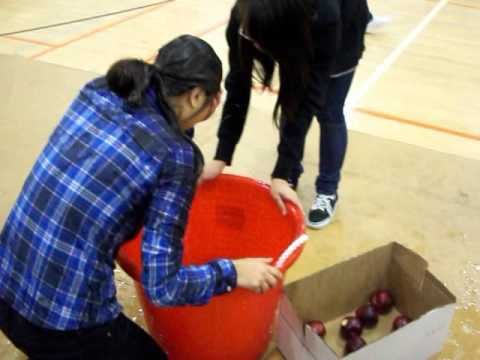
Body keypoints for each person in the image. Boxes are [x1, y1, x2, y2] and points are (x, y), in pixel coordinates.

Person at [0, 35, 282, 359]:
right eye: (213, 99)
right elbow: (163, 286)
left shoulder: (101, 90)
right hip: (60, 323)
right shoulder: (175, 157)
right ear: (196, 96)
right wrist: (234, 272)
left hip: (5, 287)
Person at [201, 0, 370, 229]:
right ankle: (291, 171)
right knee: (291, 96)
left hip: (344, 32)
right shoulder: (244, 16)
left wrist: (279, 172)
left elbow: (308, 96)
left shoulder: (325, 17)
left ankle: (327, 190)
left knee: (328, 111)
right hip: (292, 30)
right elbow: (238, 86)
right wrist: (221, 156)